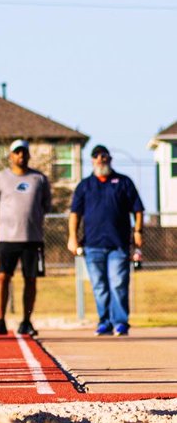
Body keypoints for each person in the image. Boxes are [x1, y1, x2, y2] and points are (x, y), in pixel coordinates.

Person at [68, 144, 144, 336]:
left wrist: (138, 231)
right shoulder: (85, 186)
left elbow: (138, 209)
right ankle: (105, 322)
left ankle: (120, 322)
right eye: (96, 156)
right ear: (92, 160)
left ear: (110, 159)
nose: (100, 159)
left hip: (118, 245)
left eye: (104, 156)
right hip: (93, 245)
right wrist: (72, 238)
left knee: (118, 284)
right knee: (99, 286)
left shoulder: (123, 182)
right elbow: (75, 214)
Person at [0, 140, 52, 337]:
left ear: (28, 155)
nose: (21, 156)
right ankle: (0, 320)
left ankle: (26, 321)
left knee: (30, 280)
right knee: (2, 278)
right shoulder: (0, 178)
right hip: (7, 239)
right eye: (17, 153)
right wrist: (5, 223)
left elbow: (46, 204)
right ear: (11, 156)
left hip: (33, 239)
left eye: (24, 152)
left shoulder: (39, 178)